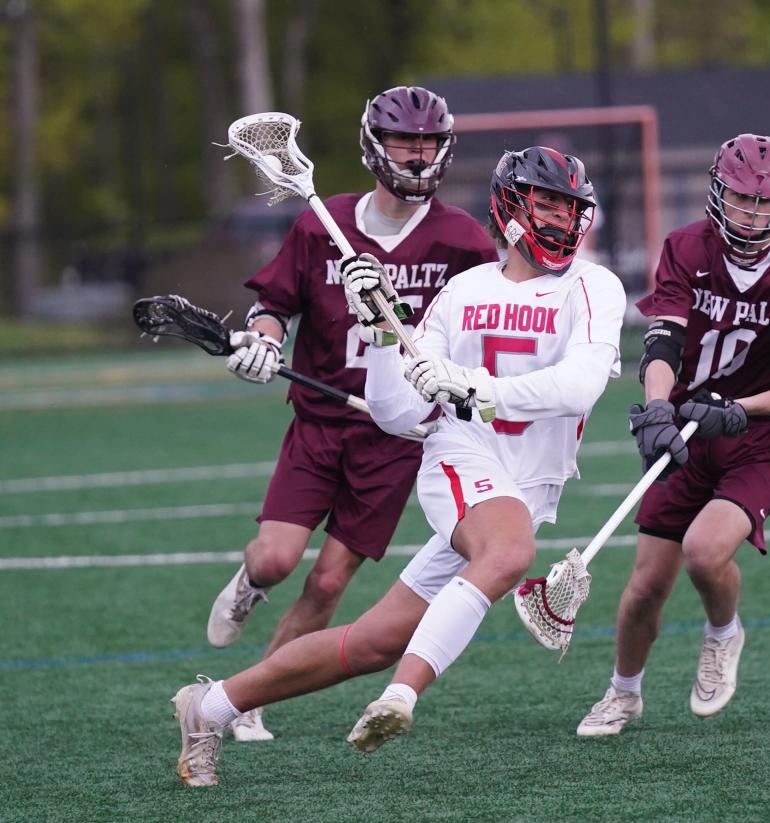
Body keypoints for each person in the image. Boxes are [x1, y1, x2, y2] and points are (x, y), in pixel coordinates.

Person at [171, 145, 626, 787]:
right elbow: (395, 413)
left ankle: (209, 705)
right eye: (547, 201)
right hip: (460, 461)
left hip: (523, 484)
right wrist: (384, 335)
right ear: (511, 207)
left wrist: (472, 385)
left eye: (572, 206)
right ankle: (400, 698)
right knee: (507, 551)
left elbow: (579, 386)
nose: (562, 217)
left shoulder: (595, 285)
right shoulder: (459, 294)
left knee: (374, 639)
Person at [207, 86, 498, 741]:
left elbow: (484, 326)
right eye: (405, 141)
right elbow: (274, 302)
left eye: (429, 142)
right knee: (279, 559)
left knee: (330, 578)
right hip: (319, 420)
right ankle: (251, 582)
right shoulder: (323, 223)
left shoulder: (463, 241)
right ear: (375, 147)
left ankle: (252, 695)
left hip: (397, 439)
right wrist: (263, 339)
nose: (419, 155)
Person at [577, 133, 770, 737]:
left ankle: (723, 633)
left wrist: (740, 408)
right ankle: (623, 693)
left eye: (764, 202)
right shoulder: (686, 247)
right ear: (718, 194)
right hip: (692, 430)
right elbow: (663, 341)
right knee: (645, 586)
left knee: (703, 550)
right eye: (741, 200)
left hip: (766, 437)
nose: (751, 214)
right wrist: (659, 411)